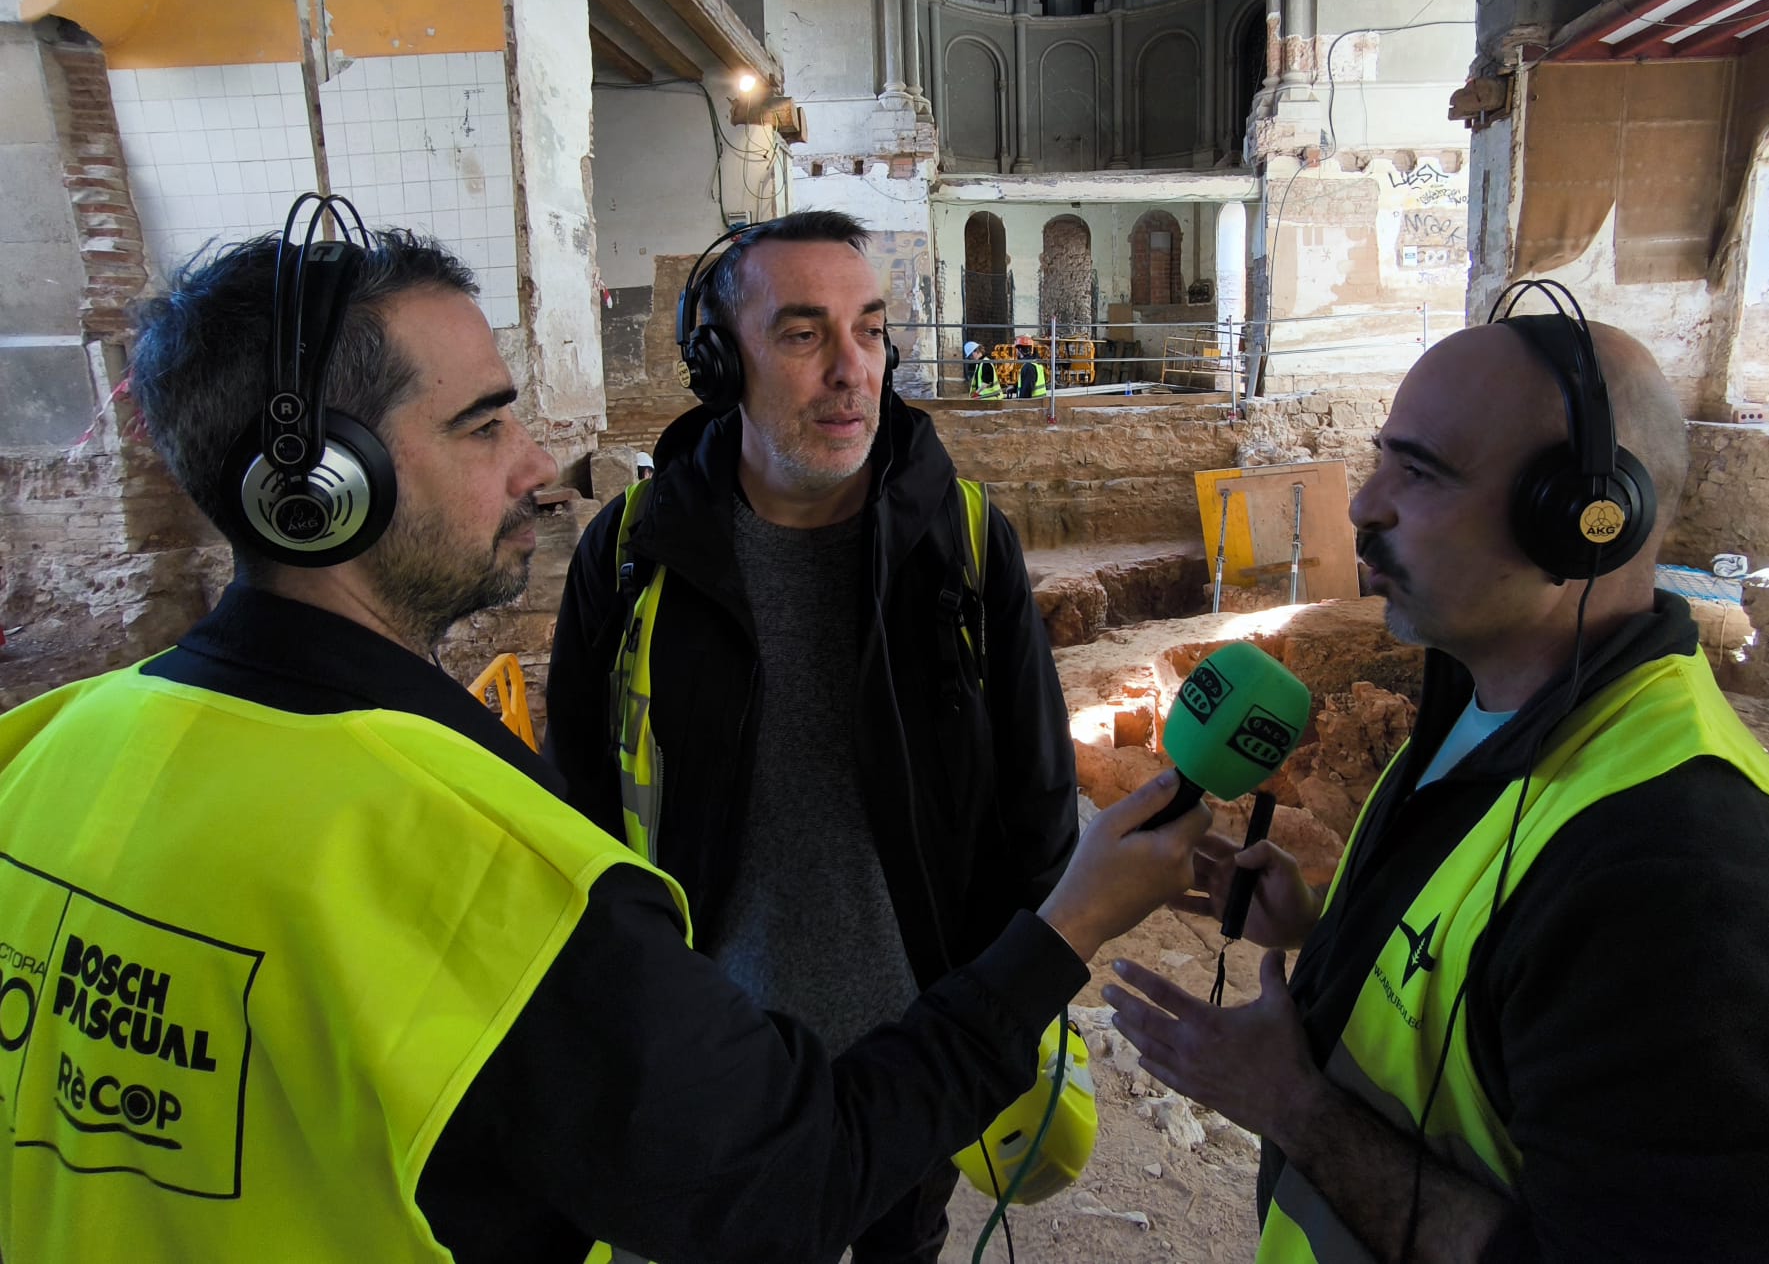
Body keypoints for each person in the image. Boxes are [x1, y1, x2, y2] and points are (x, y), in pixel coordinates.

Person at [0, 221, 1210, 1263]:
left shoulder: (41, 751)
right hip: (727, 1054)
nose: (536, 469)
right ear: (316, 487)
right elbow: (789, 1182)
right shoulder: (488, 860)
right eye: (482, 428)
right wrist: (1066, 933)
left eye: (871, 330)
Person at [1105, 296, 1769, 1262]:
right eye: (1380, 459)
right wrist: (1329, 925)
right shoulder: (1479, 701)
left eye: (1422, 472)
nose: (1363, 504)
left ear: (1581, 522)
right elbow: (1500, 992)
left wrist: (1292, 1106)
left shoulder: (1696, 896)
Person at [542, 210, 1079, 1263]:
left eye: (869, 330)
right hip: (712, 1065)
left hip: (919, 1056)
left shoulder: (962, 543)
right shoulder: (630, 555)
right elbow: (575, 814)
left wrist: (992, 1021)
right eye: (801, 335)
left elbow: (1038, 811)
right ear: (718, 362)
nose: (852, 371)